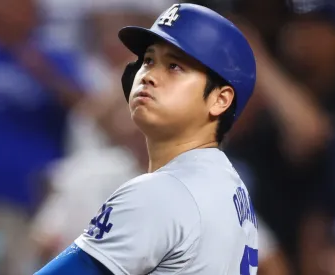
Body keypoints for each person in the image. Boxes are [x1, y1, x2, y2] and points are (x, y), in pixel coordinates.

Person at [35, 3, 258, 275]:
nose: (149, 75)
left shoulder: (162, 192)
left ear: (220, 99)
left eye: (174, 66)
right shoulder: (230, 186)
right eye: (149, 60)